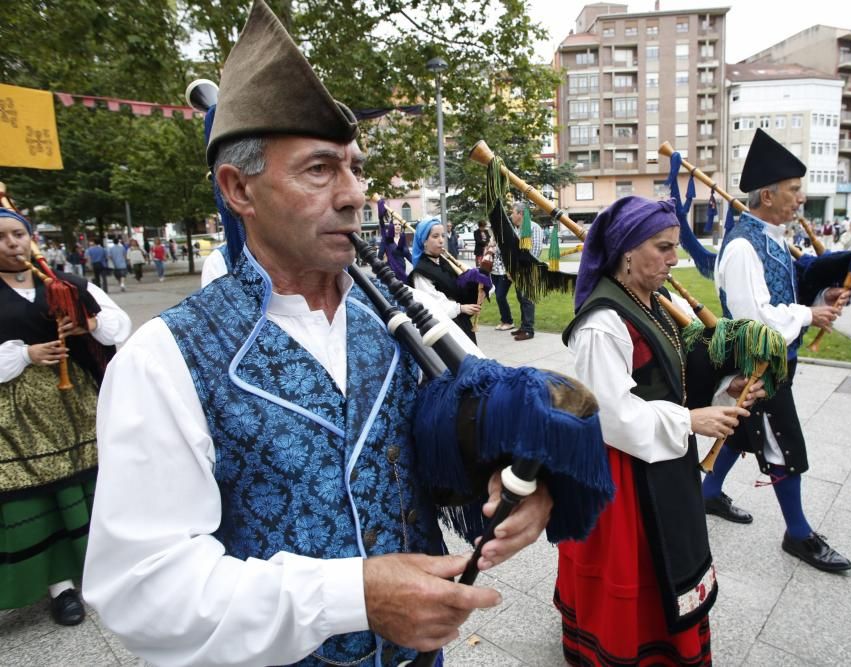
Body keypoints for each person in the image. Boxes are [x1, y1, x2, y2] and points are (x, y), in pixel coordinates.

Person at [82, 4, 551, 665]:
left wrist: (528, 486)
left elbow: (483, 425)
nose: (354, 193)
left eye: (356, 168)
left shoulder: (398, 316)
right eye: (319, 168)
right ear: (238, 188)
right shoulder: (165, 360)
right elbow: (141, 588)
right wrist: (351, 595)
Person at [556, 196, 762, 665]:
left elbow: (673, 381)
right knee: (639, 564)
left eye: (675, 247)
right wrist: (690, 421)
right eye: (664, 247)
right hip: (624, 472)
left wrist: (728, 392)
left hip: (661, 458)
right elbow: (609, 413)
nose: (675, 258)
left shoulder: (651, 301)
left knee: (670, 555)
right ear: (628, 251)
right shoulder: (603, 322)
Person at [709, 129, 851, 572]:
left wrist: (821, 300)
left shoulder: (769, 236)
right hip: (758, 368)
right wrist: (810, 317)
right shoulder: (740, 245)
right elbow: (756, 321)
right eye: (793, 191)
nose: (800, 199)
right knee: (784, 447)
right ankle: (798, 534)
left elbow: (782, 293)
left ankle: (707, 494)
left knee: (739, 432)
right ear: (767, 195)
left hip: (776, 363)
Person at [0, 208, 131, 626]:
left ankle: (103, 570)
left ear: (30, 238)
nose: (12, 244)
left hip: (75, 401)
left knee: (89, 484)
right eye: (1, 237)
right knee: (41, 493)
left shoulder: (64, 285)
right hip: (16, 414)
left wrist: (87, 322)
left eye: (18, 234)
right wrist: (25, 354)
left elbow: (117, 325)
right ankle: (61, 588)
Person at [409, 217, 481, 343]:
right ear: (424, 241)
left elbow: (459, 287)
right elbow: (431, 305)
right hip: (443, 331)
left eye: (442, 236)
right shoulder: (421, 272)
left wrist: (478, 282)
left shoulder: (445, 262)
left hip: (461, 324)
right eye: (435, 236)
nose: (441, 240)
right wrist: (460, 308)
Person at [509, 201, 544, 341]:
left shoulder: (533, 228)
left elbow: (534, 252)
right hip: (518, 270)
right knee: (521, 299)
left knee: (527, 299)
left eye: (513, 212)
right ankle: (524, 326)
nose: (511, 215)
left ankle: (529, 330)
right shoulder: (518, 229)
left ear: (521, 214)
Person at [487, 237, 515, 331]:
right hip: (494, 271)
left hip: (504, 272)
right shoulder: (493, 237)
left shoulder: (505, 237)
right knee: (499, 298)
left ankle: (509, 322)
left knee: (500, 296)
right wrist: (490, 245)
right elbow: (488, 252)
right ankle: (504, 320)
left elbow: (509, 253)